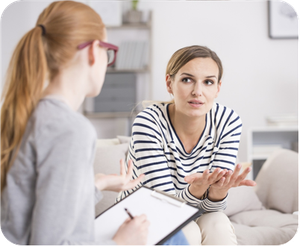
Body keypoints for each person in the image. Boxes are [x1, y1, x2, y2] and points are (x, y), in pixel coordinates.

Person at [0, 1, 151, 244]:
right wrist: (122, 243)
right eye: (108, 51)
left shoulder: (24, 113)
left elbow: (36, 207)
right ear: (93, 50)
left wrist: (98, 182)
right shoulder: (70, 130)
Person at [118, 45, 256, 245]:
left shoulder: (228, 121)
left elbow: (213, 209)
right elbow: (165, 207)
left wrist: (219, 192)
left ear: (217, 88)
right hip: (142, 215)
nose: (197, 92)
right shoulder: (148, 122)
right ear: (169, 83)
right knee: (187, 231)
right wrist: (197, 191)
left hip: (190, 209)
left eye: (208, 82)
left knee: (218, 223)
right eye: (187, 80)